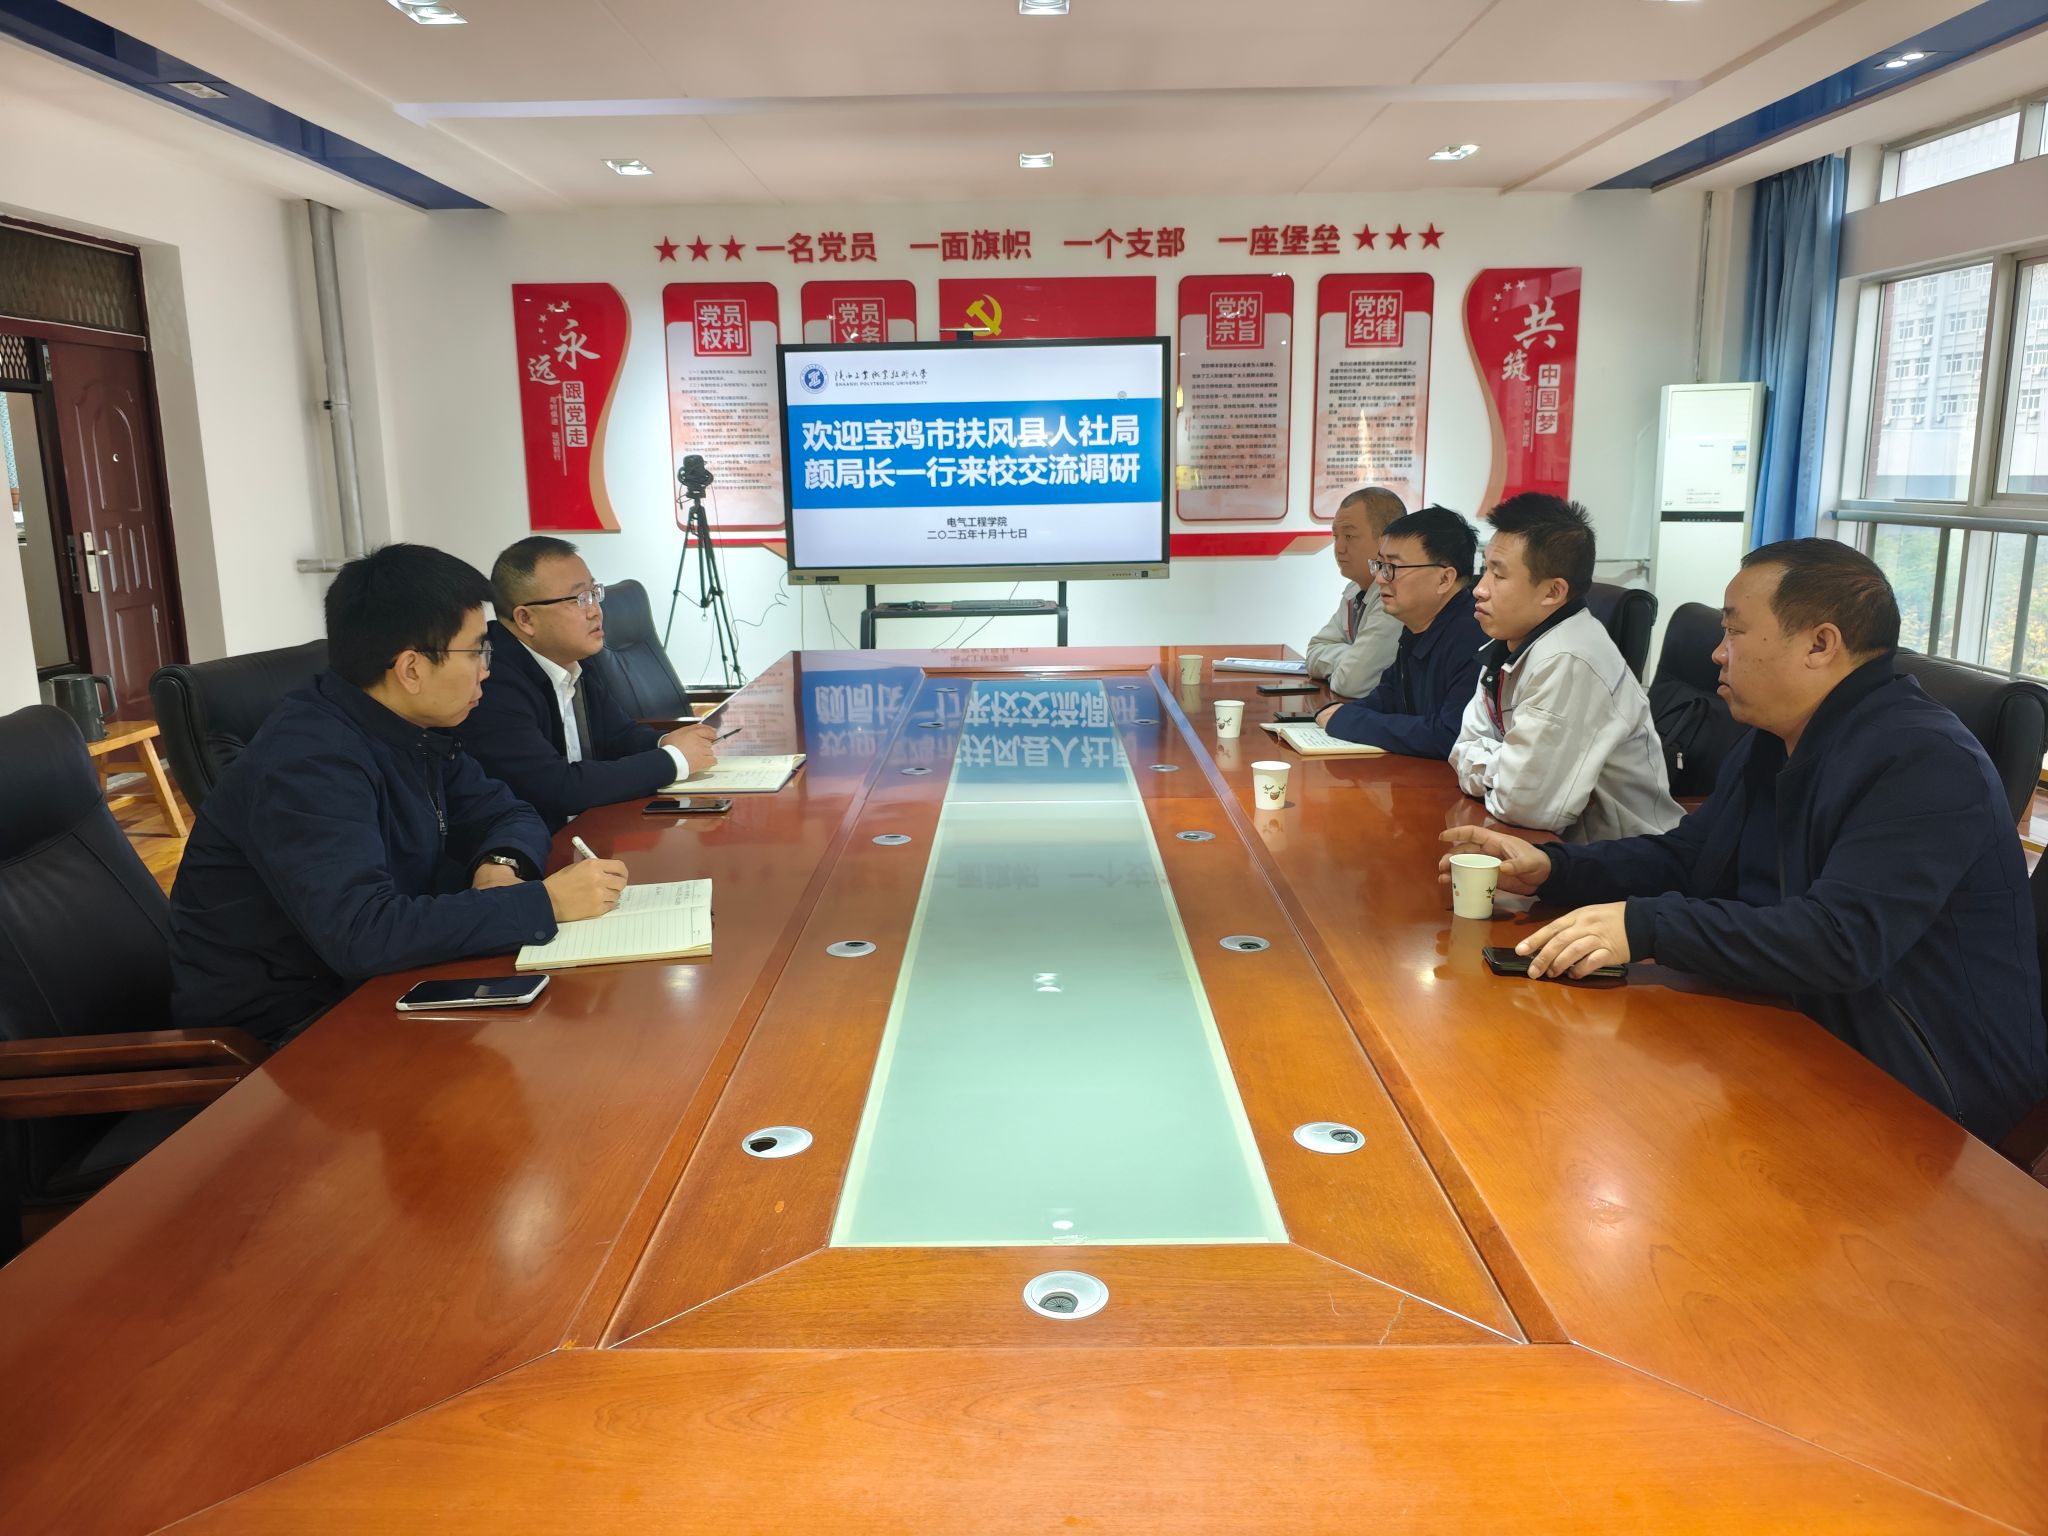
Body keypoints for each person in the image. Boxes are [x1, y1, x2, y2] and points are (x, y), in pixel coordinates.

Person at [1441, 539, 2048, 1145]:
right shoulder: (1777, 736)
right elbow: (1690, 858)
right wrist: (1554, 868)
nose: (1717, 653)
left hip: (1916, 1092)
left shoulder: (1924, 759)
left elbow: (1841, 941)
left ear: (1820, 644)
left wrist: (1646, 926)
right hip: (1786, 1021)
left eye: (1733, 632)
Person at [168, 544, 629, 1047]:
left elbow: (508, 810)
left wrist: (500, 864)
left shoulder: (410, 728)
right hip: (289, 1037)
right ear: (411, 668)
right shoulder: (309, 762)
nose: (487, 670)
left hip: (386, 986)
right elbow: (363, 933)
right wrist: (544, 902)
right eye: (477, 651)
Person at [1449, 494, 1681, 840]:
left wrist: (1497, 768)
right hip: (1556, 849)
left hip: (1621, 858)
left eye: (1498, 574)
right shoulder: (1509, 641)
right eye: (1485, 569)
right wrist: (1504, 767)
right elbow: (1462, 747)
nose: (1479, 589)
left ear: (1553, 592)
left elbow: (1525, 804)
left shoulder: (1569, 660)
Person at [455, 537, 718, 830]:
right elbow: (559, 787)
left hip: (593, 830)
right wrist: (673, 760)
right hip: (538, 846)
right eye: (579, 599)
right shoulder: (491, 682)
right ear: (526, 618)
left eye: (594, 593)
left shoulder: (574, 657)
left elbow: (619, 736)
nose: (595, 611)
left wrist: (666, 742)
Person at [1313, 506, 1486, 758]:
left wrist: (1349, 720)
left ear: (1444, 579)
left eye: (1393, 567)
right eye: (1380, 565)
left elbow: (1451, 736)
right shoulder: (1417, 626)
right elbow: (1387, 698)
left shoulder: (1474, 635)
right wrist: (1340, 713)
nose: (1381, 579)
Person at [1304, 486, 1406, 698]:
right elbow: (1314, 651)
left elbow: (1352, 682)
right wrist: (1351, 656)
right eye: (1336, 536)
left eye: (1349, 536)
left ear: (1386, 539)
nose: (1339, 548)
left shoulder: (1394, 593)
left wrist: (1349, 663)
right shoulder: (1356, 589)